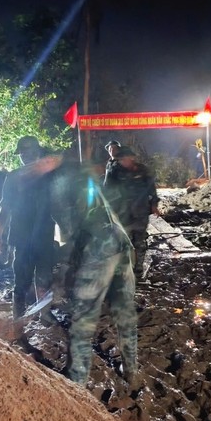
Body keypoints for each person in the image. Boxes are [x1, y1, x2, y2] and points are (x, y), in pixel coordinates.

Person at [44, 155, 138, 387]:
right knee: (125, 311)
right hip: (121, 240)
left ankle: (76, 380)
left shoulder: (57, 185)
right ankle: (131, 370)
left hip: (98, 246)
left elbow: (70, 236)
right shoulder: (84, 179)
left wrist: (62, 272)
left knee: (83, 317)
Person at [0, 136, 55, 319]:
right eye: (22, 153)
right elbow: (5, 207)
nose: (25, 156)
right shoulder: (13, 177)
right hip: (22, 237)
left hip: (44, 235)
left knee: (44, 277)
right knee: (21, 279)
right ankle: (18, 316)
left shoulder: (49, 176)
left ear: (37, 152)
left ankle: (45, 314)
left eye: (29, 151)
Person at [102, 146, 160, 277]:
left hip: (140, 210)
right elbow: (107, 191)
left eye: (125, 158)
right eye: (121, 159)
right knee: (122, 240)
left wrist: (154, 205)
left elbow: (151, 188)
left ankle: (138, 268)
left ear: (132, 158)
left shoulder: (143, 170)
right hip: (122, 212)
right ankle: (123, 270)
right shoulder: (114, 171)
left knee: (140, 240)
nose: (123, 161)